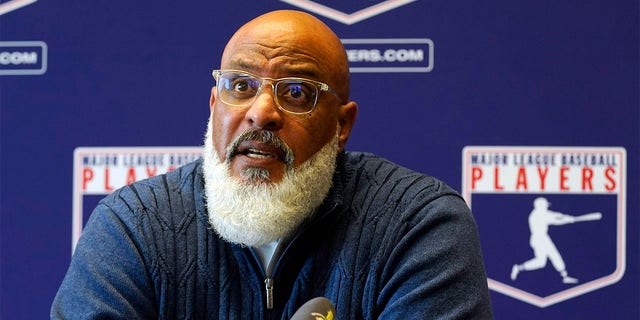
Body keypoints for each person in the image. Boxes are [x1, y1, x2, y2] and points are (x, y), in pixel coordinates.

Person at [51, 10, 493, 319]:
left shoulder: (417, 224)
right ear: (213, 105)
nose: (261, 112)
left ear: (342, 125)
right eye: (240, 85)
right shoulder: (133, 227)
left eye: (296, 91)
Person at [511, 197, 579, 284]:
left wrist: (569, 218)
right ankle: (564, 276)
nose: (547, 206)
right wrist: (568, 220)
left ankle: (564, 276)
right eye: (545, 205)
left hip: (541, 238)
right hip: (540, 239)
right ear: (540, 206)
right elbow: (555, 220)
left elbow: (556, 215)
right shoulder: (537, 215)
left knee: (547, 259)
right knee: (548, 258)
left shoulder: (541, 213)